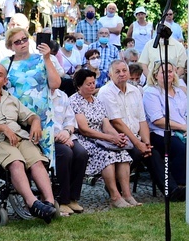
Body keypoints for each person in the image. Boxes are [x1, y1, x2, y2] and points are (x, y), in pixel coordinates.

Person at [0, 63, 57, 223]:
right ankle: (32, 203)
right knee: (16, 162)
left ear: (5, 80)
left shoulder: (10, 98)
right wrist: (2, 128)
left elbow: (30, 116)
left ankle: (48, 202)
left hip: (19, 138)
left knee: (37, 161)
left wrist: (35, 122)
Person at [142, 62, 189, 196]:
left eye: (170, 71)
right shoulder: (151, 92)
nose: (168, 74)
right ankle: (180, 187)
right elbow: (157, 120)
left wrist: (187, 127)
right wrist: (183, 127)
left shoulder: (179, 91)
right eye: (164, 72)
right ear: (155, 75)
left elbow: (188, 113)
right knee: (182, 150)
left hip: (182, 131)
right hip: (161, 133)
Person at [98, 60, 168, 200]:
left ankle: (170, 191)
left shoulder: (135, 91)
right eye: (117, 72)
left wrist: (146, 143)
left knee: (151, 153)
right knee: (136, 153)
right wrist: (138, 144)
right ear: (110, 75)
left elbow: (142, 120)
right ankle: (117, 188)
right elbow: (116, 122)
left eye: (124, 70)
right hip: (117, 138)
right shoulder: (106, 92)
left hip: (136, 138)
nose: (122, 74)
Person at [69, 69, 136, 208]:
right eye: (88, 84)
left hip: (102, 138)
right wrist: (110, 138)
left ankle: (127, 195)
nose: (92, 86)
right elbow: (84, 130)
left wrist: (116, 136)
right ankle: (115, 196)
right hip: (85, 139)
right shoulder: (74, 101)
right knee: (107, 156)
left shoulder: (97, 101)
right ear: (79, 86)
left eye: (93, 83)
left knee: (122, 154)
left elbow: (106, 124)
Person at [1, 27, 60, 167]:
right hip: (17, 118)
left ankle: (47, 187)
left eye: (25, 39)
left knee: (46, 157)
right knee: (22, 155)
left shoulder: (42, 59)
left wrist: (47, 58)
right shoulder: (5, 63)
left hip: (43, 116)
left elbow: (56, 84)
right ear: (10, 46)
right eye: (17, 42)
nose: (22, 43)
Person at [50, 85, 87, 216]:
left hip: (67, 135)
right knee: (65, 153)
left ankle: (73, 197)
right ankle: (62, 199)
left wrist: (67, 132)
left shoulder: (62, 95)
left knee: (81, 153)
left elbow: (70, 120)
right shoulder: (37, 95)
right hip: (48, 138)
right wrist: (59, 137)